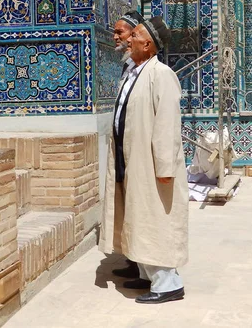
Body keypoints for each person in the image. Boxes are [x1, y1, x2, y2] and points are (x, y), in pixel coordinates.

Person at [99, 16, 189, 304]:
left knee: (154, 219)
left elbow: (166, 123)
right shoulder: (136, 71)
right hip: (131, 158)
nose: (128, 39)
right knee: (137, 216)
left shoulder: (161, 74)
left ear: (148, 44)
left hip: (151, 165)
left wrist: (164, 166)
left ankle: (168, 283)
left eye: (134, 35)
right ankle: (147, 273)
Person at [109, 9, 145, 282]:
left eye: (119, 32)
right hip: (123, 150)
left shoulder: (152, 71)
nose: (115, 37)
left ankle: (147, 267)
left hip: (138, 152)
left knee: (139, 206)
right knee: (127, 205)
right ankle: (133, 261)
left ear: (135, 34)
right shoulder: (128, 67)